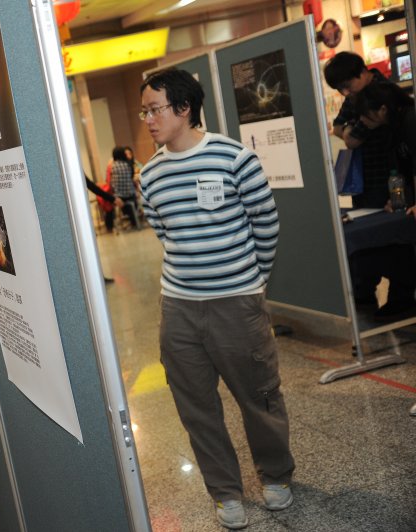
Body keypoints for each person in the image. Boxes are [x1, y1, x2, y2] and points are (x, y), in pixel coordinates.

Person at [139, 68, 294, 530]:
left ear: (184, 109)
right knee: (196, 406)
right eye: (144, 111)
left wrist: (252, 282)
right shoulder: (151, 175)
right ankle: (225, 491)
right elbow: (166, 234)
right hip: (179, 308)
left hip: (237, 303)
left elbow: (266, 224)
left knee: (258, 397)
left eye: (155, 109)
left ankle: (277, 477)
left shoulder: (233, 158)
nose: (148, 119)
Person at [351, 81, 416, 318]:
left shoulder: (410, 119)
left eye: (366, 116)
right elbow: (401, 169)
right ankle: (402, 300)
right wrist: (398, 199)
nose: (364, 122)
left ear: (382, 110)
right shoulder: (393, 126)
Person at [324, 51, 392, 208]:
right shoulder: (354, 95)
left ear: (362, 73)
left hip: (386, 177)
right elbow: (337, 128)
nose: (345, 93)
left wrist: (349, 132)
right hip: (361, 180)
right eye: (340, 89)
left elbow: (353, 142)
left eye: (346, 86)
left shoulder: (381, 93)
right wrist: (350, 129)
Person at [111, 146, 140, 229]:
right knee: (134, 201)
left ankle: (127, 219)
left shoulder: (113, 166)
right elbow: (131, 177)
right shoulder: (128, 165)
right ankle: (134, 220)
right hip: (130, 195)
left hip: (119, 197)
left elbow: (112, 183)